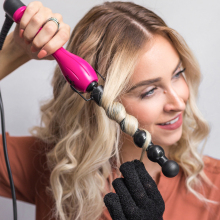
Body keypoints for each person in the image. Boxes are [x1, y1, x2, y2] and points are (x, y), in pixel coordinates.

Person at [0, 1, 220, 220]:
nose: (179, 103)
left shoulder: (214, 190)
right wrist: (10, 55)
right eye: (150, 91)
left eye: (177, 74)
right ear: (100, 102)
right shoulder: (50, 165)